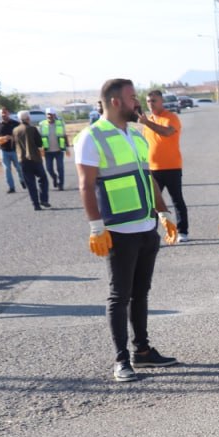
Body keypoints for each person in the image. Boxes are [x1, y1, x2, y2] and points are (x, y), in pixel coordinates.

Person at [76, 78, 180, 382]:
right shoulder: (91, 137)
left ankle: (142, 351)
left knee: (141, 293)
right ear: (115, 102)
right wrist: (96, 227)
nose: (138, 103)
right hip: (118, 230)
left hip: (146, 226)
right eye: (133, 98)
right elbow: (85, 185)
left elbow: (147, 179)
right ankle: (121, 360)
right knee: (119, 295)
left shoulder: (136, 136)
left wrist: (163, 212)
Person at [141, 89, 189, 242]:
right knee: (152, 202)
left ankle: (183, 232)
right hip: (153, 168)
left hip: (172, 167)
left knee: (177, 200)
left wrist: (147, 122)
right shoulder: (148, 121)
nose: (151, 104)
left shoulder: (171, 117)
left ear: (161, 101)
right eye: (148, 101)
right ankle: (151, 234)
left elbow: (167, 132)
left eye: (154, 101)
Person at [12, 111, 50, 211]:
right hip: (35, 159)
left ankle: (35, 205)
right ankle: (44, 199)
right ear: (28, 118)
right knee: (43, 179)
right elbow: (39, 143)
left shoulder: (15, 130)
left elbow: (13, 144)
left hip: (22, 160)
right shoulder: (32, 129)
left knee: (30, 184)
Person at [0, 107, 21, 194]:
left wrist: (11, 137)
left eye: (5, 113)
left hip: (15, 150)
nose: (3, 115)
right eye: (2, 113)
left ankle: (23, 180)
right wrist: (0, 138)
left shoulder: (15, 123)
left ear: (8, 113)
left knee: (19, 168)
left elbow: (21, 135)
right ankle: (11, 187)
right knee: (7, 169)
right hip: (3, 150)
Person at [40, 107, 68, 190]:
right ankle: (54, 177)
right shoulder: (42, 124)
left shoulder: (60, 123)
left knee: (60, 168)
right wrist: (40, 149)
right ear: (46, 115)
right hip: (48, 151)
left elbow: (64, 135)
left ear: (54, 115)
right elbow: (39, 137)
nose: (49, 116)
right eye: (48, 115)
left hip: (59, 150)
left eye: (51, 115)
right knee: (49, 169)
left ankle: (61, 184)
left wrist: (67, 147)